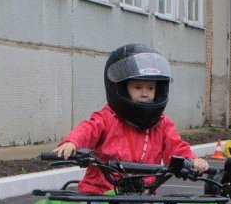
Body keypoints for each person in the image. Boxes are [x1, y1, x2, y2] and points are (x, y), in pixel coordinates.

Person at [54, 43, 209, 194]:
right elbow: (88, 129)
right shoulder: (108, 117)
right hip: (100, 193)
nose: (145, 93)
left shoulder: (162, 124)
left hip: (143, 195)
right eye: (137, 87)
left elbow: (176, 147)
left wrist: (192, 161)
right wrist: (72, 142)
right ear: (123, 88)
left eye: (150, 88)